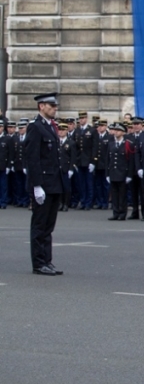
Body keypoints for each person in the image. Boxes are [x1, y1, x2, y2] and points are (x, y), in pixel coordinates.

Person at [24, 93, 64, 276]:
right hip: (43, 184)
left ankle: (47, 260)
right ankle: (39, 263)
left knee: (49, 226)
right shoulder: (35, 127)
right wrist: (36, 185)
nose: (55, 108)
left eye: (55, 106)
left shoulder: (51, 127)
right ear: (41, 106)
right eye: (51, 106)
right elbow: (32, 159)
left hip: (54, 183)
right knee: (39, 225)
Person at [106, 123, 136, 221]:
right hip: (113, 172)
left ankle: (122, 213)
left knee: (122, 195)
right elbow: (108, 160)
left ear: (123, 132)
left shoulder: (127, 144)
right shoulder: (111, 143)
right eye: (115, 130)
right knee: (114, 194)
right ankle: (115, 213)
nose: (116, 132)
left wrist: (129, 175)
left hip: (123, 173)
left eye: (118, 131)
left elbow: (130, 161)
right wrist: (107, 174)